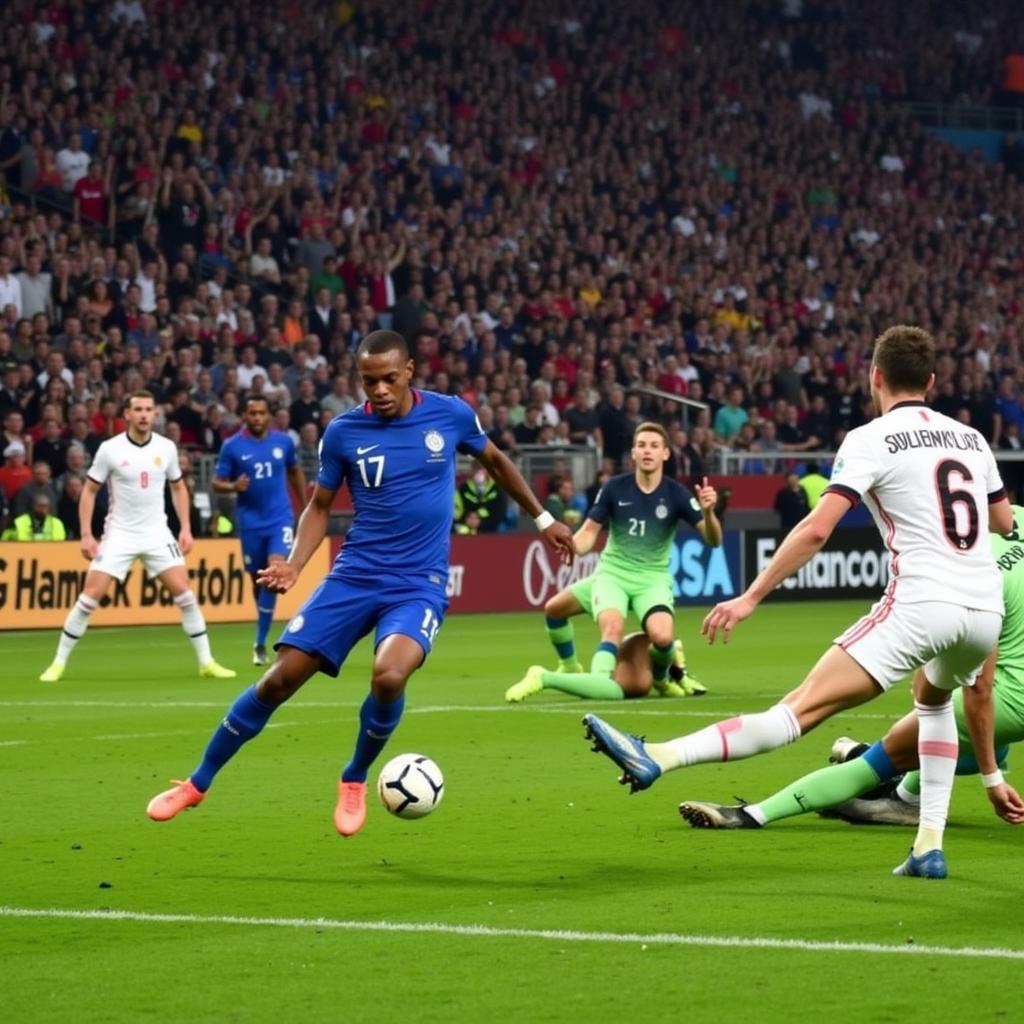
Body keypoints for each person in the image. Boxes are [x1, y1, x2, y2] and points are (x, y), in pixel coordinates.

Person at [582, 325, 1013, 880]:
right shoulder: (972, 439)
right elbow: (1002, 520)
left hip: (922, 603)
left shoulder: (870, 438)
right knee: (932, 701)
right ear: (931, 381)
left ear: (874, 376)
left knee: (797, 710)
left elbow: (816, 531)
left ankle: (660, 756)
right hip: (983, 611)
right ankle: (928, 846)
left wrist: (751, 596)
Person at [146, 330, 574, 836]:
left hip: (419, 582)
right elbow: (320, 507)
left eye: (390, 378)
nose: (380, 389)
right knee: (278, 680)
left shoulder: (451, 414)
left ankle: (354, 777)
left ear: (410, 370)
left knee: (389, 675)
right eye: (369, 381)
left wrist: (544, 519)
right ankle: (196, 783)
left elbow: (498, 462)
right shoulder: (343, 432)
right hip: (354, 575)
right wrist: (294, 564)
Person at [679, 505, 1024, 832]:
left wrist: (991, 779)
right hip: (1013, 706)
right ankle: (905, 796)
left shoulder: (970, 564)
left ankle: (752, 814)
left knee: (880, 760)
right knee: (975, 745)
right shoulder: (1015, 519)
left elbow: (973, 680)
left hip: (1006, 699)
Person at [506, 421, 720, 704]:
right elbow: (588, 536)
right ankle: (572, 671)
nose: (647, 451)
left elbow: (713, 540)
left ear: (665, 454)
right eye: (642, 445)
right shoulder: (614, 488)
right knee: (610, 628)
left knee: (663, 638)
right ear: (633, 453)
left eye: (654, 446)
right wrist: (571, 544)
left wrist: (708, 513)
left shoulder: (676, 494)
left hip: (651, 579)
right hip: (613, 576)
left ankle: (660, 678)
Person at [38, 391, 236, 683]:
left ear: (155, 414)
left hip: (157, 531)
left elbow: (179, 488)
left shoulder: (167, 448)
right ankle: (57, 663)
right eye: (138, 409)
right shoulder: (110, 449)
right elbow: (89, 491)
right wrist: (86, 535)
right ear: (127, 415)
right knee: (90, 596)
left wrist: (185, 528)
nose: (144, 414)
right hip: (120, 533)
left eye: (148, 409)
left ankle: (207, 662)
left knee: (185, 594)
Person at [213, 395, 308, 665]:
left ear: (268, 415)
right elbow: (216, 483)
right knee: (258, 580)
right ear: (245, 415)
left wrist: (306, 506)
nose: (257, 417)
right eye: (252, 413)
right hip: (250, 523)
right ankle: (263, 626)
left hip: (279, 519)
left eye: (261, 413)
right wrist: (233, 486)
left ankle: (260, 643)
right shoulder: (232, 447)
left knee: (273, 571)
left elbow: (294, 471)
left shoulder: (284, 442)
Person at [2, 492, 66, 540]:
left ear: (49, 508)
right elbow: (5, 539)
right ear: (33, 506)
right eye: (40, 506)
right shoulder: (19, 522)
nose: (42, 509)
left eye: (45, 506)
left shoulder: (57, 523)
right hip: (24, 554)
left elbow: (61, 544)